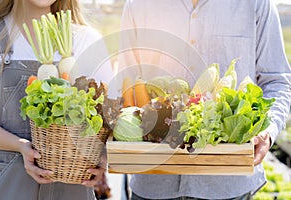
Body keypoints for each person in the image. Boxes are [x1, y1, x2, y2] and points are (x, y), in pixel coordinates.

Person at [116, 0, 291, 199]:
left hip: (228, 184)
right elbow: (124, 85)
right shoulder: (139, 5)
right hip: (154, 181)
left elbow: (277, 80)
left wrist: (267, 131)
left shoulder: (255, 4)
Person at [0, 0, 113, 199]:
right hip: (4, 188)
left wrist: (102, 156)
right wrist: (20, 145)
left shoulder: (87, 41)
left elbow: (109, 119)